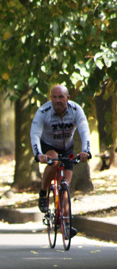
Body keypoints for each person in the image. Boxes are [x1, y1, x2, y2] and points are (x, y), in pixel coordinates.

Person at [30, 85, 91, 232]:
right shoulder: (43, 112)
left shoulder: (76, 110)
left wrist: (85, 151)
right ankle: (44, 192)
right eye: (54, 97)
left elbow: (84, 130)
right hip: (48, 146)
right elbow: (35, 134)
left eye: (61, 97)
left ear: (67, 98)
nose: (57, 100)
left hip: (67, 148)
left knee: (65, 188)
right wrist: (38, 154)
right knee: (55, 160)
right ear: (50, 98)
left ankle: (66, 226)